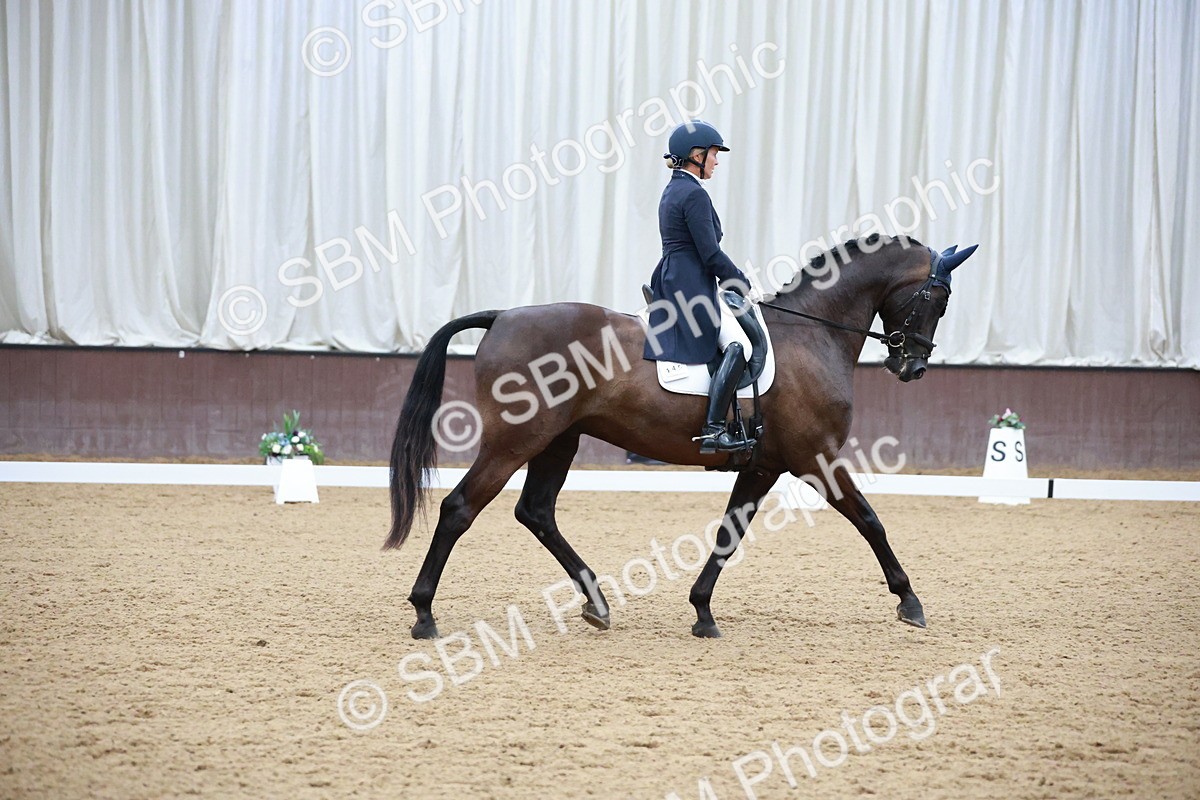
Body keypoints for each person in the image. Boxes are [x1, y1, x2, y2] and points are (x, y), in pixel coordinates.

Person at [643, 120, 759, 454]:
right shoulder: (693, 194)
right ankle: (713, 429)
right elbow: (709, 253)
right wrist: (739, 280)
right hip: (690, 283)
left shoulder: (673, 189)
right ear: (697, 155)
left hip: (674, 276)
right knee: (739, 345)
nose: (716, 162)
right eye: (713, 155)